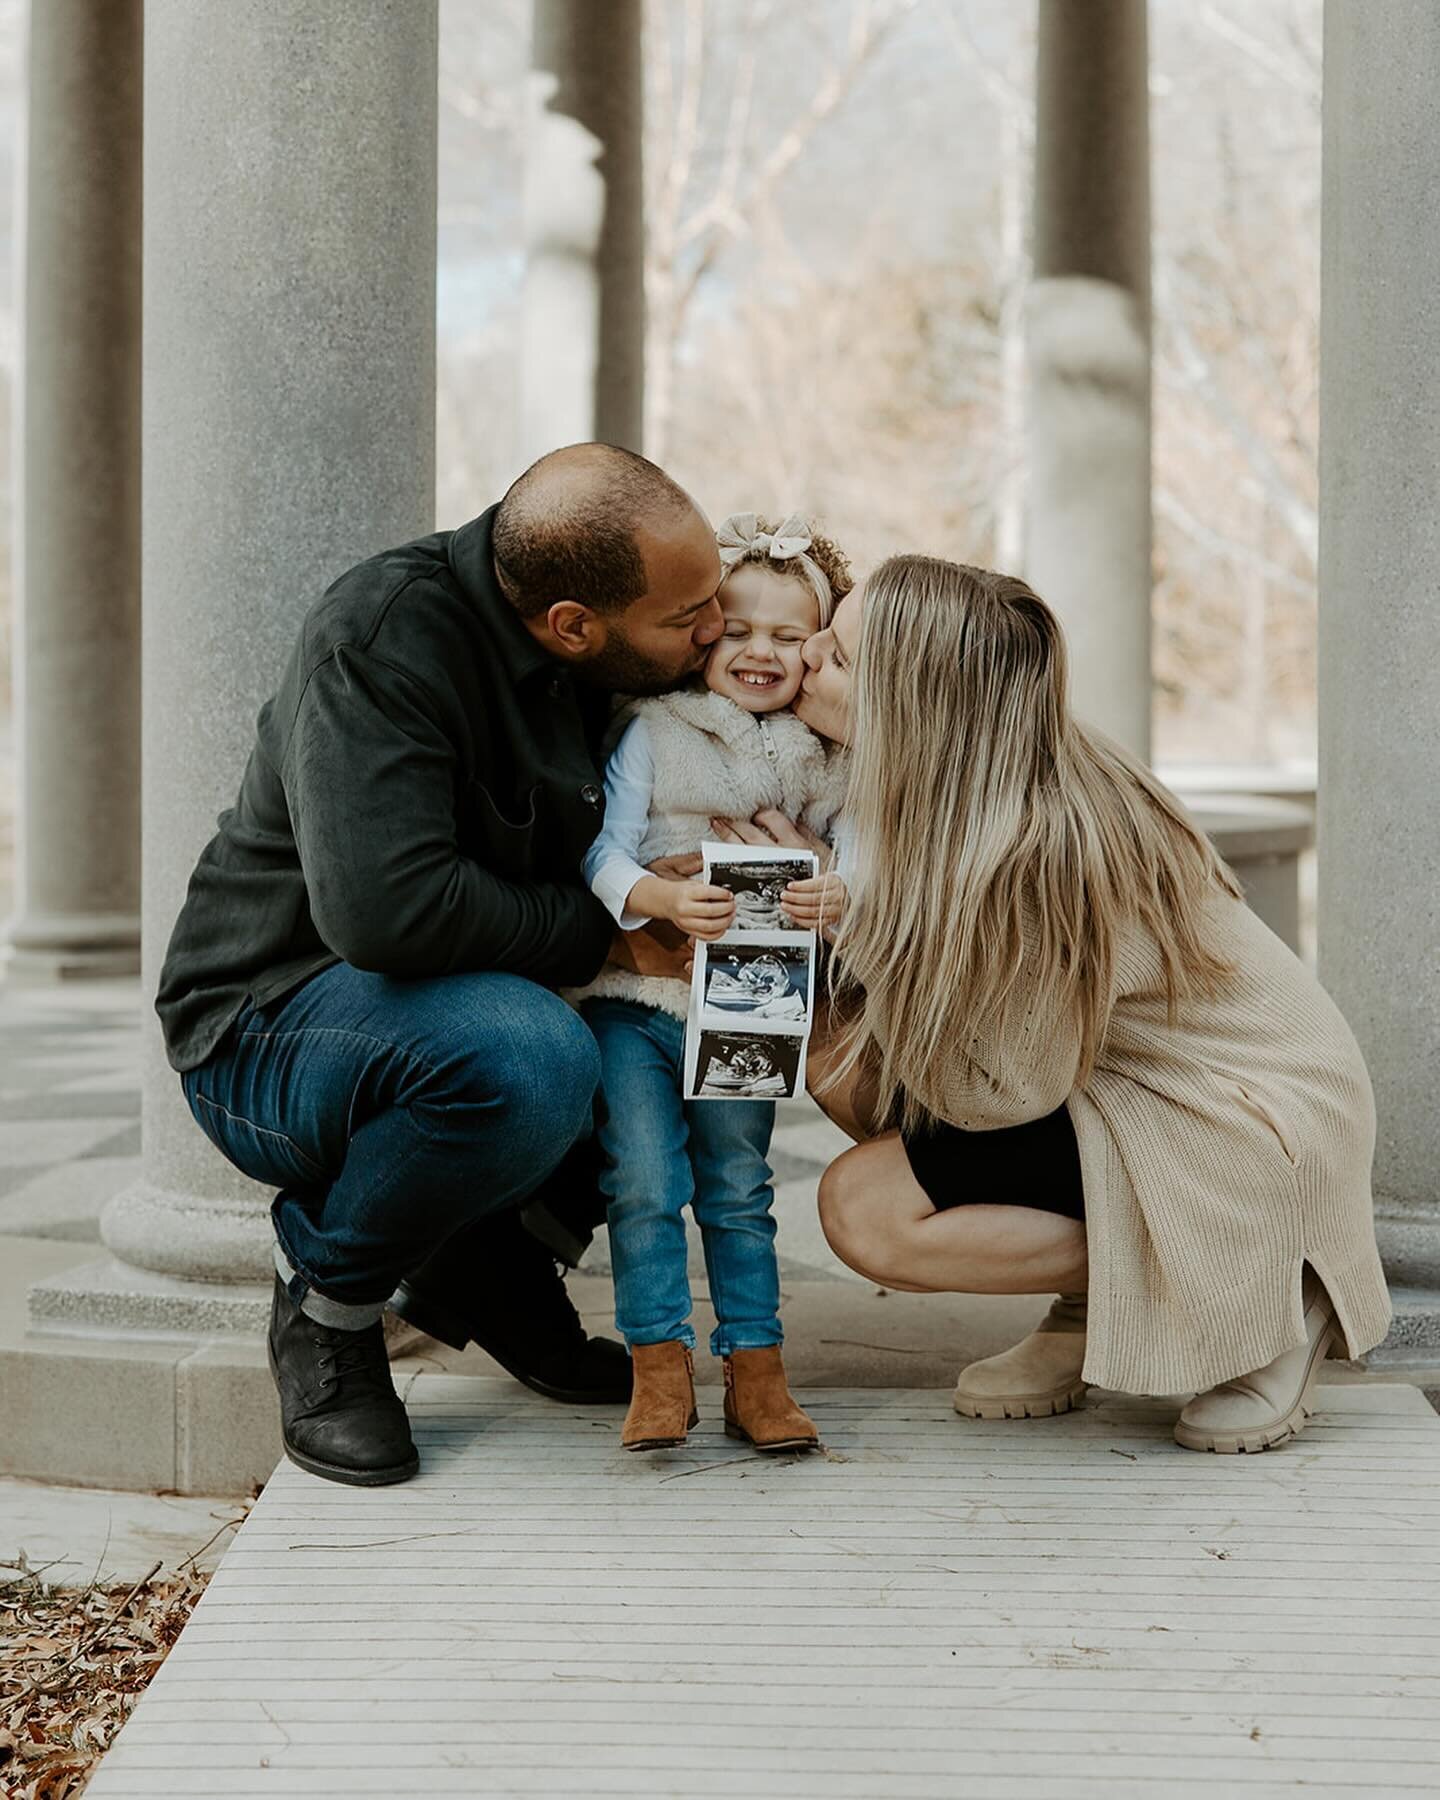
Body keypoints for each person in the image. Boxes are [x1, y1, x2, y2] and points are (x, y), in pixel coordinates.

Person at [716, 554, 1391, 1454]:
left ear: (908, 707)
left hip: (1240, 1123)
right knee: (849, 1064)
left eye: (834, 658)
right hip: (1115, 1088)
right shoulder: (947, 778)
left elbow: (999, 1096)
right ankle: (1094, 1310)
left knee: (864, 1209)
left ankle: (1273, 1279)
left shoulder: (1037, 843)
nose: (802, 666)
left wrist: (847, 921)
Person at [157, 444, 726, 1486]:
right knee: (533, 1058)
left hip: (448, 1010)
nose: (715, 629)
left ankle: (493, 1269)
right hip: (268, 1028)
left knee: (704, 1032)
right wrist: (610, 933)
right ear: (571, 626)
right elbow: (389, 913)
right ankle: (325, 1301)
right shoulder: (382, 642)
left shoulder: (618, 650)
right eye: (686, 617)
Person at [576, 513, 850, 1453]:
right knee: (643, 1181)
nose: (758, 652)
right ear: (701, 634)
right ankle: (658, 1366)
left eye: (786, 635)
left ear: (818, 648)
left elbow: (854, 859)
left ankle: (756, 1370)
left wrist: (831, 890)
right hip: (635, 1005)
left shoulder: (828, 751)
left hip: (755, 994)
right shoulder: (653, 730)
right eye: (736, 630)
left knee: (737, 1185)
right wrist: (654, 895)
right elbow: (599, 850)